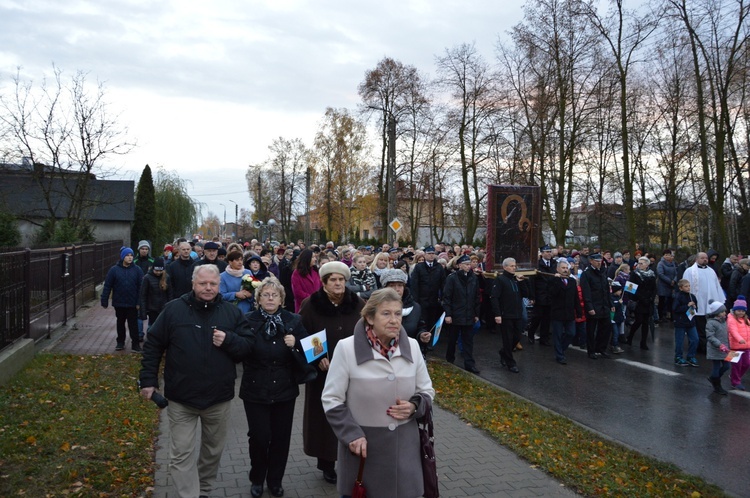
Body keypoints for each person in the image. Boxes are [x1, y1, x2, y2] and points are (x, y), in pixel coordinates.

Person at [139, 265, 253, 498]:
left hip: (218, 399)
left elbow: (248, 347)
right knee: (181, 453)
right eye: (203, 283)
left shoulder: (231, 313)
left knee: (212, 452)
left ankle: (204, 490)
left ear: (219, 285)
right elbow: (153, 345)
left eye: (213, 283)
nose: (208, 288)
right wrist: (148, 380)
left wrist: (229, 339)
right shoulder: (173, 310)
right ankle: (189, 494)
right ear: (193, 284)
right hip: (182, 398)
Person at [321, 288, 435, 498]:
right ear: (370, 317)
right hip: (363, 450)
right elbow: (331, 399)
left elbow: (426, 390)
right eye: (386, 313)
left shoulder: (412, 346)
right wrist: (351, 435)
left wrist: (414, 406)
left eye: (398, 313)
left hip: (405, 453)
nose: (394, 320)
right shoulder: (346, 349)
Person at [240, 277, 309, 498]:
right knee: (260, 437)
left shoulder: (293, 320)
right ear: (258, 299)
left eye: (275, 295)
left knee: (281, 437)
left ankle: (275, 480)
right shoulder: (247, 320)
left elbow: (311, 349)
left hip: (285, 389)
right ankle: (257, 478)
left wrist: (295, 344)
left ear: (282, 299)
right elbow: (238, 349)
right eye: (266, 295)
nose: (270, 298)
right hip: (255, 388)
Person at [298, 261, 365, 485]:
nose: (338, 284)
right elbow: (303, 332)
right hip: (323, 374)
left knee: (353, 414)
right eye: (333, 280)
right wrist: (318, 357)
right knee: (323, 419)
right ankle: (326, 463)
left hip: (352, 371)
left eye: (341, 280)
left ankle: (353, 456)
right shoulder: (311, 304)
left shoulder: (357, 303)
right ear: (324, 283)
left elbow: (368, 329)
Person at [442, 254, 481, 373]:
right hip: (455, 314)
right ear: (459, 265)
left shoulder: (473, 278)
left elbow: (476, 297)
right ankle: (449, 360)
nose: (468, 266)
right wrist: (448, 314)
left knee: (468, 341)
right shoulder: (452, 278)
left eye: (469, 264)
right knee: (452, 339)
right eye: (466, 264)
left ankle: (469, 364)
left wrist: (476, 314)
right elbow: (447, 297)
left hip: (469, 314)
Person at [490, 258, 530, 373]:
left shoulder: (515, 280)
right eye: (511, 266)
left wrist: (522, 282)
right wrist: (497, 314)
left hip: (517, 314)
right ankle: (510, 362)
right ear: (505, 267)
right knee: (507, 339)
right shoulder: (500, 280)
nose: (514, 268)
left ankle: (504, 352)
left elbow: (526, 294)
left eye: (515, 266)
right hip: (506, 314)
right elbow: (495, 298)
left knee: (517, 337)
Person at [101, 247, 144, 352]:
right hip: (119, 302)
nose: (130, 258)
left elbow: (141, 288)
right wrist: (104, 299)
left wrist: (139, 302)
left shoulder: (137, 270)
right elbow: (108, 286)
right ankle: (120, 342)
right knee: (120, 323)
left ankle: (135, 344)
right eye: (127, 255)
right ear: (122, 257)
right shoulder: (114, 270)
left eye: (131, 255)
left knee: (133, 324)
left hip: (132, 303)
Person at [684, 252, 726, 354]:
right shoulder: (690, 271)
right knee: (697, 326)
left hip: (710, 304)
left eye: (706, 258)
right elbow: (685, 286)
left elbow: (716, 286)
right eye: (702, 258)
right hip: (696, 304)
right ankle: (699, 346)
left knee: (709, 327)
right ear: (696, 259)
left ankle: (708, 345)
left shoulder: (711, 271)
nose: (705, 260)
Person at [379, 269, 430, 348]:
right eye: (392, 285)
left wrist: (421, 335)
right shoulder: (376, 306)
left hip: (407, 350)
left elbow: (420, 326)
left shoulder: (415, 307)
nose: (397, 289)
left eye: (400, 285)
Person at [579, 253, 613, 359]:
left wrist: (610, 303)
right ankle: (591, 350)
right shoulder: (587, 274)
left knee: (605, 328)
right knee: (591, 330)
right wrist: (589, 307)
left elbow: (607, 289)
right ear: (591, 261)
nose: (599, 263)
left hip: (604, 305)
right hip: (594, 305)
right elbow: (586, 292)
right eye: (597, 261)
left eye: (600, 261)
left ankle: (601, 348)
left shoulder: (603, 272)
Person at [548, 260, 582, 365]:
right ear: (557, 269)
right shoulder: (553, 280)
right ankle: (559, 355)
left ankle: (561, 349)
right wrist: (557, 280)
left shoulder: (571, 281)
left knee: (571, 333)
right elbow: (553, 293)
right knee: (557, 335)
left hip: (569, 313)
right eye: (563, 268)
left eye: (566, 268)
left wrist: (579, 311)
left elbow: (575, 297)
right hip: (558, 312)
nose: (565, 270)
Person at [409, 245, 446, 331]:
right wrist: (415, 300)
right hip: (422, 300)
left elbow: (443, 284)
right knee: (422, 321)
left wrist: (442, 298)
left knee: (432, 322)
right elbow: (414, 285)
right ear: (425, 255)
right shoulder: (419, 267)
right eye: (429, 253)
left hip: (434, 300)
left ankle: (430, 338)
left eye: (433, 253)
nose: (431, 255)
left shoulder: (439, 267)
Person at [625, 257, 657, 350]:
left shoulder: (651, 274)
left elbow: (654, 288)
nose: (639, 265)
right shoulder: (634, 274)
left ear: (647, 264)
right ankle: (630, 336)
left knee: (646, 322)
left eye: (642, 263)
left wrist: (651, 298)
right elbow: (630, 289)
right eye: (639, 263)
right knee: (638, 320)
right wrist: (640, 298)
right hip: (638, 301)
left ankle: (643, 342)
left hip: (648, 301)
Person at [139, 257, 173, 335]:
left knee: (162, 326)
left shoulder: (166, 277)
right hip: (152, 308)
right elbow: (143, 295)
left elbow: (170, 293)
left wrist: (169, 306)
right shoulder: (147, 278)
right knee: (152, 326)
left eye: (160, 271)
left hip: (163, 307)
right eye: (156, 270)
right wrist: (143, 312)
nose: (158, 272)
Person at [528, 245, 554, 345]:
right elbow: (532, 281)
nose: (549, 253)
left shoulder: (554, 264)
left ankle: (544, 338)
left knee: (547, 318)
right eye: (547, 252)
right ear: (542, 253)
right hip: (540, 294)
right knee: (537, 317)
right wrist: (532, 296)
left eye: (550, 251)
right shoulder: (537, 265)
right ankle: (531, 333)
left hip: (550, 295)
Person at [672, 279, 700, 367]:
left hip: (690, 321)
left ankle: (691, 356)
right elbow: (675, 309)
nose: (688, 288)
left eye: (689, 286)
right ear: (681, 288)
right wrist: (686, 306)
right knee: (679, 341)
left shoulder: (692, 296)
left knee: (695, 339)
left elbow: (696, 309)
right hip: (680, 321)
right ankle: (678, 357)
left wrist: (695, 307)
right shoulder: (678, 296)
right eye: (686, 286)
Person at [705, 300, 731, 395]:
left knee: (727, 366)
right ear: (717, 313)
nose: (725, 313)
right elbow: (710, 336)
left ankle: (713, 378)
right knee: (716, 367)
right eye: (722, 311)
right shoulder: (711, 323)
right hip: (715, 349)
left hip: (726, 349)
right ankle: (717, 386)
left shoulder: (724, 322)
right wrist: (719, 344)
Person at [727, 295, 750, 390]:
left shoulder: (746, 320)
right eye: (739, 310)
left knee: (747, 364)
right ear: (735, 310)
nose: (741, 313)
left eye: (743, 311)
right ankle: (735, 382)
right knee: (736, 365)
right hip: (734, 347)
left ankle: (734, 377)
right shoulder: (731, 319)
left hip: (746, 346)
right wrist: (739, 339)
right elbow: (733, 331)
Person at [656, 249, 677, 322]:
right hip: (663, 285)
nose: (667, 256)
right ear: (663, 256)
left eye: (669, 255)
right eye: (666, 255)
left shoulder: (673, 263)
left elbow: (676, 272)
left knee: (671, 301)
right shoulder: (660, 263)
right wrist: (669, 281)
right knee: (662, 301)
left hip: (672, 285)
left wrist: (674, 280)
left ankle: (671, 316)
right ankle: (661, 316)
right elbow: (660, 274)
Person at [609, 282, 625, 354]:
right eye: (619, 291)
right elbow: (613, 307)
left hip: (619, 318)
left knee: (617, 333)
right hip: (613, 319)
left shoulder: (619, 298)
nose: (621, 292)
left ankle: (613, 344)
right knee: (615, 333)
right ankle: (614, 345)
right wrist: (618, 303)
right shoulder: (612, 298)